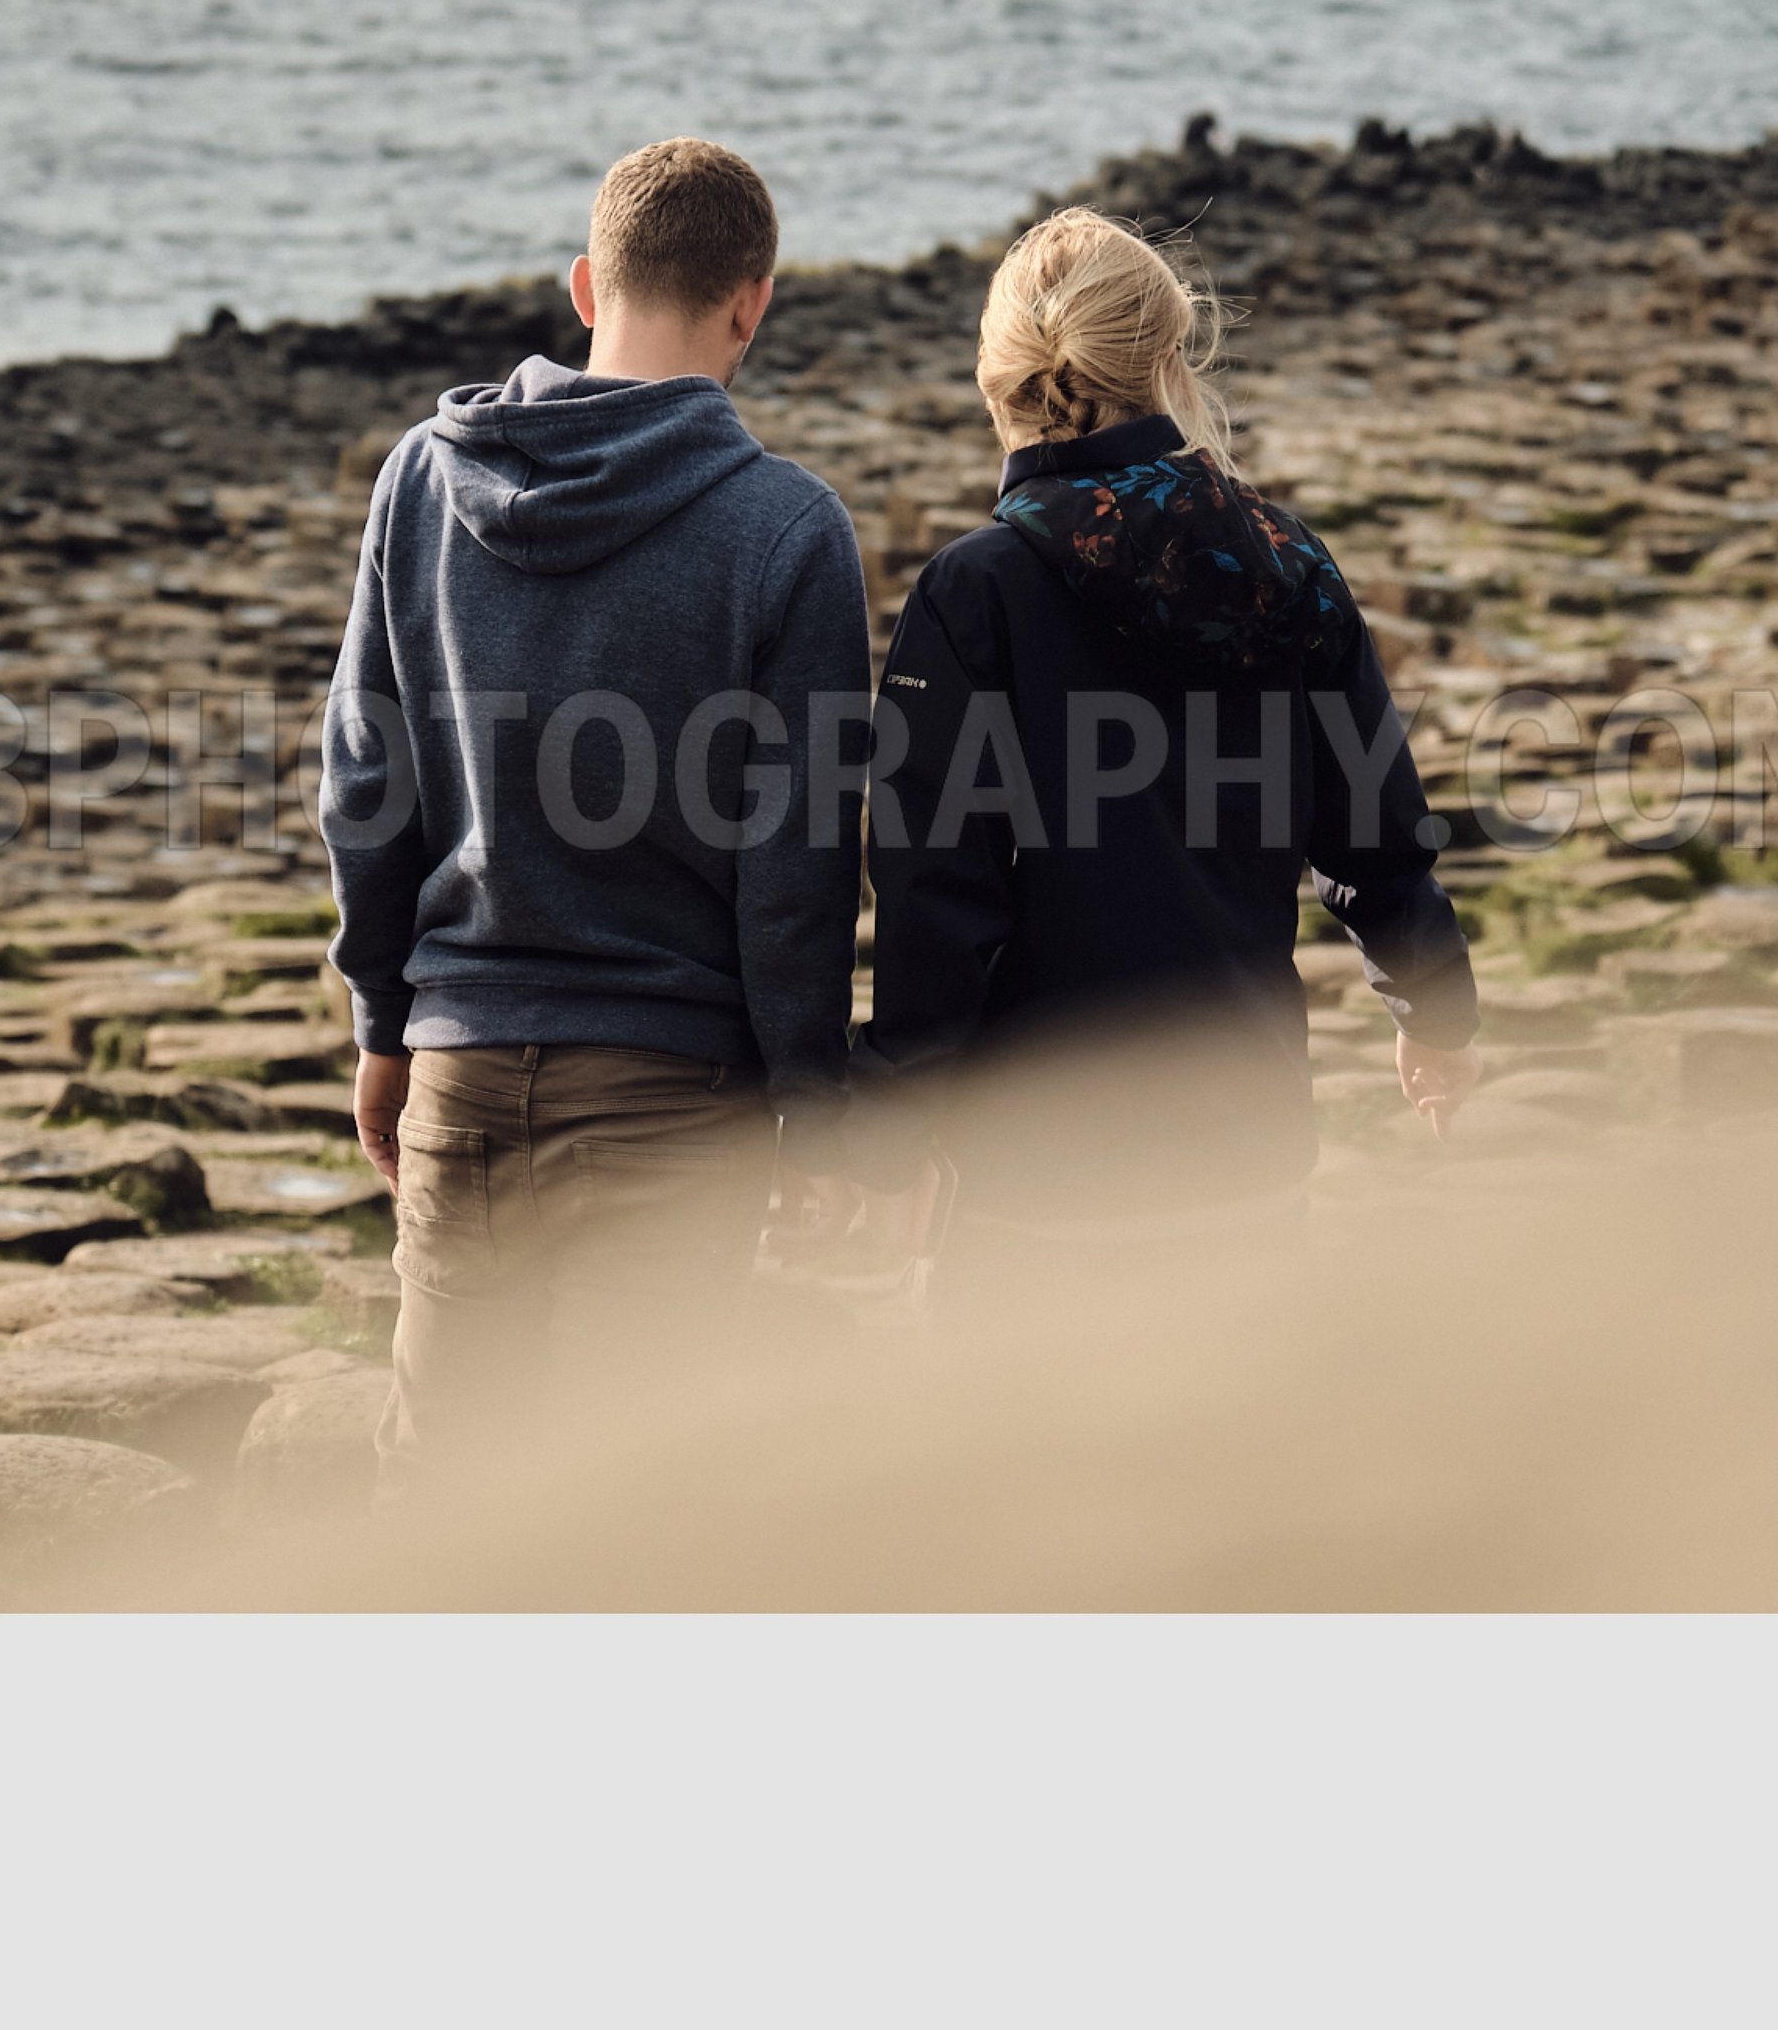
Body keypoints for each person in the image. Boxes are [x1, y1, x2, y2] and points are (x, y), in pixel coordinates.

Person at [321, 137, 869, 1494]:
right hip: (677, 1101)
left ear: (585, 285)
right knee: (645, 1515)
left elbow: (361, 784)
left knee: (443, 1510)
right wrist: (814, 1104)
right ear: (752, 304)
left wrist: (385, 1024)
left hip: (460, 1068)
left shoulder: (417, 482)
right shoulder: (788, 530)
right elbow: (796, 868)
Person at [838, 206, 1480, 1284]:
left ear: (1000, 376)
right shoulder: (1288, 563)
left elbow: (935, 895)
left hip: (1035, 1165)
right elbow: (1374, 838)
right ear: (1171, 361)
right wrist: (1438, 1014)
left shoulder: (976, 588)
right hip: (1246, 1140)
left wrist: (890, 1133)